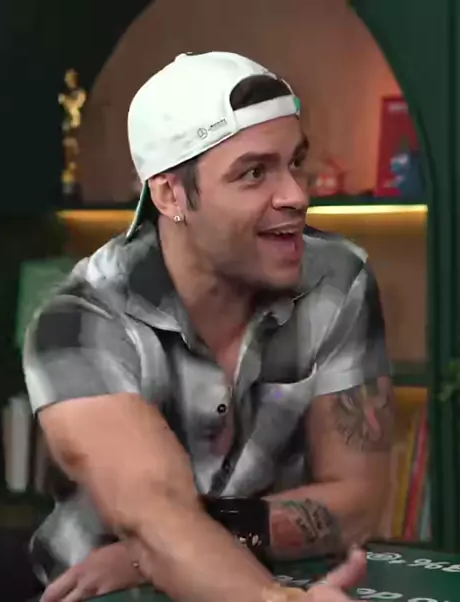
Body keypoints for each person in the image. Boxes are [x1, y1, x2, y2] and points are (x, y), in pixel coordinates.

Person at [23, 51, 394, 602]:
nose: (296, 195)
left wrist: (154, 551)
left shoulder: (337, 282)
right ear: (170, 194)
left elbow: (359, 500)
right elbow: (153, 512)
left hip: (283, 579)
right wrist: (163, 546)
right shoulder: (78, 322)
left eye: (295, 163)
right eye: (254, 173)